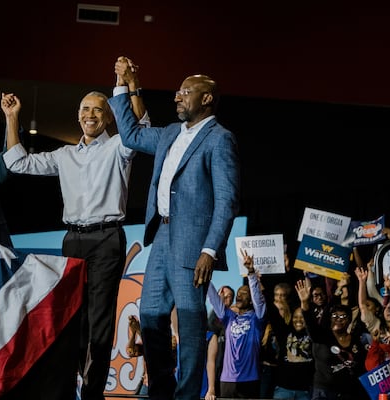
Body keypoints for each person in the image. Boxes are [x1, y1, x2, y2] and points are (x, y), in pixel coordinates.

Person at [0, 59, 149, 400]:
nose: (90, 114)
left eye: (98, 109)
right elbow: (17, 162)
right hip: (73, 241)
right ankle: (66, 389)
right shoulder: (64, 155)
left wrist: (126, 82)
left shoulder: (119, 147)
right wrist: (12, 118)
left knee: (98, 322)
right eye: (85, 108)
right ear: (78, 115)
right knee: (69, 321)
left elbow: (141, 125)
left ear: (109, 116)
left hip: (107, 238)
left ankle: (93, 394)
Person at [108, 59, 240, 400]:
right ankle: (161, 392)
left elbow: (227, 201)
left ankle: (186, 396)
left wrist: (210, 250)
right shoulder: (169, 133)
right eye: (178, 92)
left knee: (191, 325)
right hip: (162, 237)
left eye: (186, 92)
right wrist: (123, 84)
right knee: (150, 317)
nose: (178, 97)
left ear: (207, 98)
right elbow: (132, 134)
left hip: (193, 246)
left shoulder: (219, 139)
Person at [296, 279, 369, 400]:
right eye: (334, 316)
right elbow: (310, 323)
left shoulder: (357, 340)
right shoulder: (321, 336)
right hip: (323, 392)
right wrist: (304, 303)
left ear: (349, 320)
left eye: (343, 316)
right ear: (329, 319)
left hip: (348, 392)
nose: (338, 319)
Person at [207, 249, 266, 398]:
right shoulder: (229, 317)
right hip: (227, 380)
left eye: (244, 294)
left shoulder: (256, 318)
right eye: (238, 293)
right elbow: (213, 298)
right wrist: (205, 272)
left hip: (250, 379)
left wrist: (251, 272)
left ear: (251, 299)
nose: (239, 296)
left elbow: (258, 299)